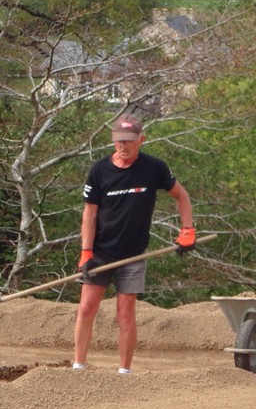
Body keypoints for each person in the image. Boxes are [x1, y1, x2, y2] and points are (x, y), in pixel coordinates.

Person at [72, 114, 195, 374]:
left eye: (129, 141)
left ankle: (124, 372)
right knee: (86, 308)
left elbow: (181, 196)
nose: (123, 146)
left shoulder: (154, 168)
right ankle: (78, 366)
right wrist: (86, 252)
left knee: (125, 312)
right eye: (119, 141)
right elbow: (90, 213)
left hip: (133, 255)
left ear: (141, 139)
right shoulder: (99, 170)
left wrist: (187, 230)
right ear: (113, 141)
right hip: (100, 253)